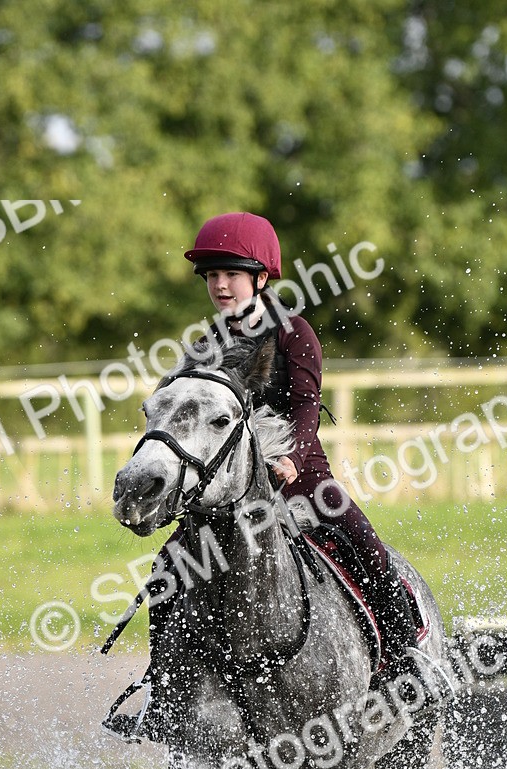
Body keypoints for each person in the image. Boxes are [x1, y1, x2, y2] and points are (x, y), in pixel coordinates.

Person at [105, 212, 419, 742]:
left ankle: (405, 663)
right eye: (211, 276)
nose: (220, 285)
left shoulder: (294, 333)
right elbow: (185, 410)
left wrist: (290, 459)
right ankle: (166, 695)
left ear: (261, 277)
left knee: (366, 546)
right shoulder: (203, 346)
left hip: (298, 476)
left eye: (230, 273)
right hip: (228, 489)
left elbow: (305, 410)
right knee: (166, 572)